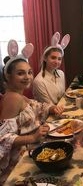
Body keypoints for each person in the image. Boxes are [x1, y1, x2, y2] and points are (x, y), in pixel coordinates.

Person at [0, 40, 64, 184]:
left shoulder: (19, 95)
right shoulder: (12, 98)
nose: (27, 77)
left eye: (29, 72)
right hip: (18, 162)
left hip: (32, 149)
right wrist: (33, 137)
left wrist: (51, 108)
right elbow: (3, 137)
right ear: (8, 77)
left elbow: (37, 106)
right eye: (20, 73)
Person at [33, 32, 70, 105]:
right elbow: (49, 106)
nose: (57, 61)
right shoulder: (39, 81)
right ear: (45, 58)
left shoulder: (61, 73)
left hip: (62, 107)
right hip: (48, 114)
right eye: (53, 58)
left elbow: (63, 97)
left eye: (59, 59)